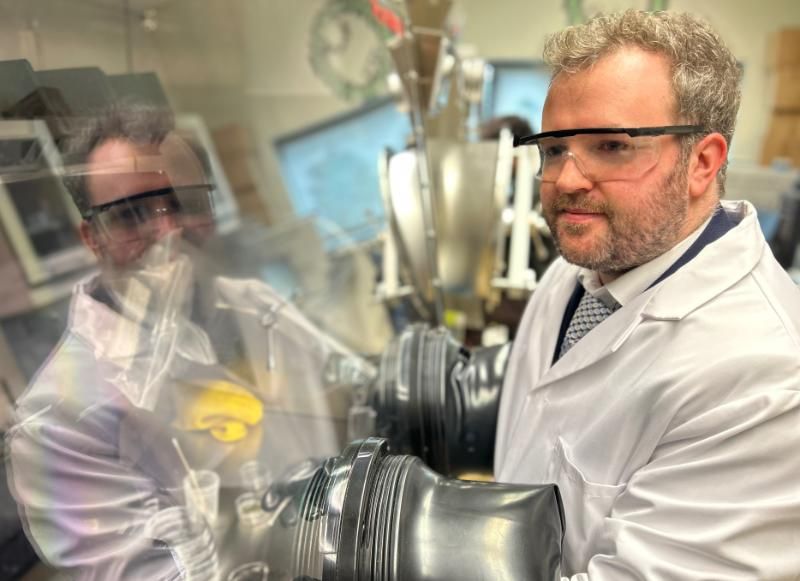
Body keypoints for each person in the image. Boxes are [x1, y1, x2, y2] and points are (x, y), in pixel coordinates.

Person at [494, 10, 800, 580]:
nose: (566, 180)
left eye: (611, 146)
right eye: (554, 149)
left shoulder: (768, 379)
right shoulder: (583, 270)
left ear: (702, 163)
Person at [4, 103, 352, 579]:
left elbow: (348, 400)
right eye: (129, 215)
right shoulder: (57, 422)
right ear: (92, 237)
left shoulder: (254, 305)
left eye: (185, 203)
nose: (169, 232)